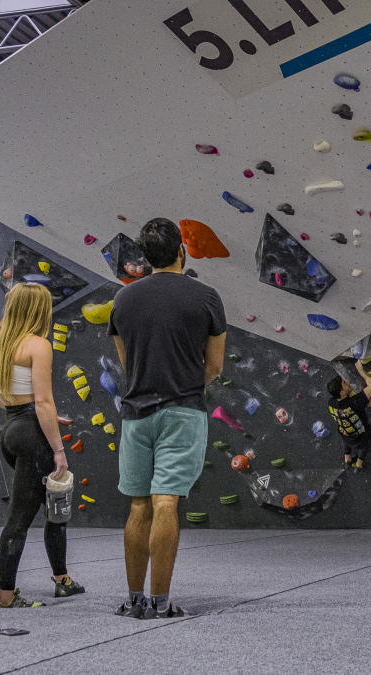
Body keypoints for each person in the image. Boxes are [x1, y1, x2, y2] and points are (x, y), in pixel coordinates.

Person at [108, 218, 226, 619]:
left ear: (146, 256)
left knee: (138, 507)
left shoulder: (122, 301)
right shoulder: (207, 297)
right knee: (165, 505)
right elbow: (214, 366)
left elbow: (126, 363)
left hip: (135, 414)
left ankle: (134, 599)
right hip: (183, 411)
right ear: (181, 250)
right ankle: (161, 603)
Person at [0, 282, 84, 608]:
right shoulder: (39, 345)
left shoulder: (2, 343)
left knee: (53, 508)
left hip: (12, 428)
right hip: (31, 433)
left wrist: (17, 414)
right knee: (20, 519)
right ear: (40, 311)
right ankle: (6, 596)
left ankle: (62, 580)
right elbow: (43, 402)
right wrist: (58, 450)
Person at [327, 360, 371, 471]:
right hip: (358, 435)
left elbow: (350, 397)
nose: (347, 382)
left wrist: (351, 390)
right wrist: (361, 372)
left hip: (344, 432)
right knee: (363, 446)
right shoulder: (354, 404)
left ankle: (347, 459)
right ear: (341, 392)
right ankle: (359, 464)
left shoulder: (332, 402)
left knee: (346, 443)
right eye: (344, 383)